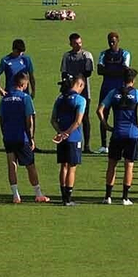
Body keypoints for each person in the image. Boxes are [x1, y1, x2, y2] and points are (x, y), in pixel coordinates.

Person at [99, 68, 138, 205]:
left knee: (112, 164)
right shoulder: (137, 94)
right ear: (133, 80)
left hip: (117, 133)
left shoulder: (113, 93)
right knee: (129, 165)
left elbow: (100, 110)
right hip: (132, 133)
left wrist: (105, 125)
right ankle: (125, 198)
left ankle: (108, 197)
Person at [0, 71, 49, 203]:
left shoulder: (4, 99)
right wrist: (31, 137)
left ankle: (15, 195)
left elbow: (1, 119)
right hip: (22, 137)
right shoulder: (26, 98)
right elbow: (29, 120)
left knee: (11, 164)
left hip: (8, 136)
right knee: (30, 165)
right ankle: (38, 193)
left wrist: (4, 132)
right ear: (24, 84)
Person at [51, 75, 87, 205]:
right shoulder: (80, 100)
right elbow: (78, 121)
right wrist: (67, 133)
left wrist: (60, 133)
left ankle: (63, 197)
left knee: (63, 166)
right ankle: (68, 199)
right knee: (72, 167)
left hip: (61, 138)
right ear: (80, 85)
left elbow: (53, 120)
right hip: (74, 137)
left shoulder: (59, 98)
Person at [94, 32, 132, 154]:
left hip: (119, 89)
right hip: (106, 88)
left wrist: (108, 70)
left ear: (118, 41)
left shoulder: (125, 54)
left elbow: (125, 71)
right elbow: (99, 71)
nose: (111, 43)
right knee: (103, 114)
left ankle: (118, 143)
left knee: (119, 115)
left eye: (113, 41)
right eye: (110, 41)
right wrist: (116, 70)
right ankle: (103, 145)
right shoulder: (103, 54)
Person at [59, 33, 97, 153]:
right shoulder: (67, 56)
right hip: (69, 93)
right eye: (75, 43)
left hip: (84, 92)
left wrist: (77, 80)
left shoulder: (86, 55)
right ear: (70, 43)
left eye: (80, 43)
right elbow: (63, 73)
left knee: (84, 118)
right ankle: (67, 140)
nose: (78, 45)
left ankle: (86, 146)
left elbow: (88, 72)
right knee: (69, 117)